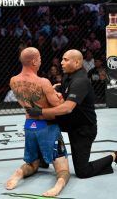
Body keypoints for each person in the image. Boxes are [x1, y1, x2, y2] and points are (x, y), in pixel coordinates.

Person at [27, 49, 117, 178]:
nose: (62, 63)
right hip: (69, 121)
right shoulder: (68, 75)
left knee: (82, 171)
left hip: (83, 128)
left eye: (66, 60)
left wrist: (41, 111)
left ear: (77, 62)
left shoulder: (80, 81)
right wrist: (55, 88)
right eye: (62, 59)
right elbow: (63, 86)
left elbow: (67, 108)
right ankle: (42, 159)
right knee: (40, 123)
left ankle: (114, 156)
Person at [5, 47, 70, 197]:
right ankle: (57, 187)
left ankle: (19, 173)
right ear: (34, 61)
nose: (41, 60)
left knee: (32, 164)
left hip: (30, 126)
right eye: (39, 58)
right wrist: (58, 95)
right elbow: (58, 106)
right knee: (63, 170)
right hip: (47, 127)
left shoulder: (13, 81)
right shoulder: (43, 82)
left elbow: (31, 99)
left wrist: (49, 91)